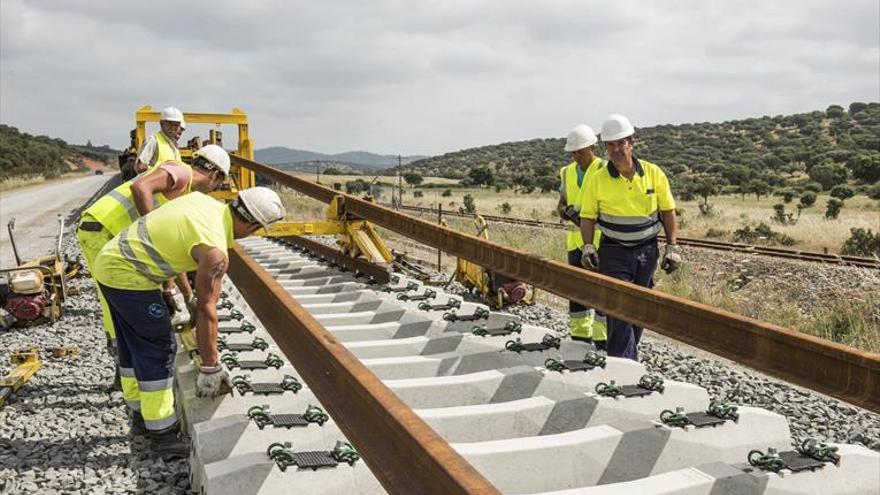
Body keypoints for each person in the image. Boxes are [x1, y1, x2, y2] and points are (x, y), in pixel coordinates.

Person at [91, 187, 286, 457]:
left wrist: (183, 294)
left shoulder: (202, 203)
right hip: (128, 276)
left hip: (109, 263)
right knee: (158, 348)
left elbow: (174, 251)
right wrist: (210, 367)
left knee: (131, 343)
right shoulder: (216, 252)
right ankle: (162, 436)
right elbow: (208, 309)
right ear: (254, 226)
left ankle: (139, 416)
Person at [77, 145, 231, 389]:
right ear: (215, 175)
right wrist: (149, 227)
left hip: (108, 232)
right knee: (115, 306)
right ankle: (124, 372)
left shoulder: (184, 192)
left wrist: (181, 293)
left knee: (122, 306)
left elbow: (168, 255)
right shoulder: (181, 172)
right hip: (101, 229)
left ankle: (128, 376)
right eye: (218, 185)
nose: (214, 191)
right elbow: (141, 188)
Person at [578, 114, 682, 360]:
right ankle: (624, 365)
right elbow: (587, 216)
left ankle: (627, 355)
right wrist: (588, 247)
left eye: (620, 143)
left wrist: (672, 247)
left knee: (641, 307)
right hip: (614, 252)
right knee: (620, 307)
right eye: (610, 145)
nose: (615, 150)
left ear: (631, 144)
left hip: (647, 251)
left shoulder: (654, 174)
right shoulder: (598, 179)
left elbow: (668, 211)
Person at [557, 124, 608, 349]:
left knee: (600, 292)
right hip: (575, 243)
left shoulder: (605, 169)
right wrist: (566, 212)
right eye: (573, 152)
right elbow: (561, 203)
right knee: (576, 292)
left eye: (579, 151)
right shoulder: (567, 172)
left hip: (599, 242)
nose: (575, 156)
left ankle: (602, 340)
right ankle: (580, 339)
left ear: (592, 148)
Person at [133, 107, 184, 175]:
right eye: (169, 124)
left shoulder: (174, 147)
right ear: (161, 124)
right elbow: (140, 167)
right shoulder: (153, 140)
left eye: (176, 125)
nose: (173, 128)